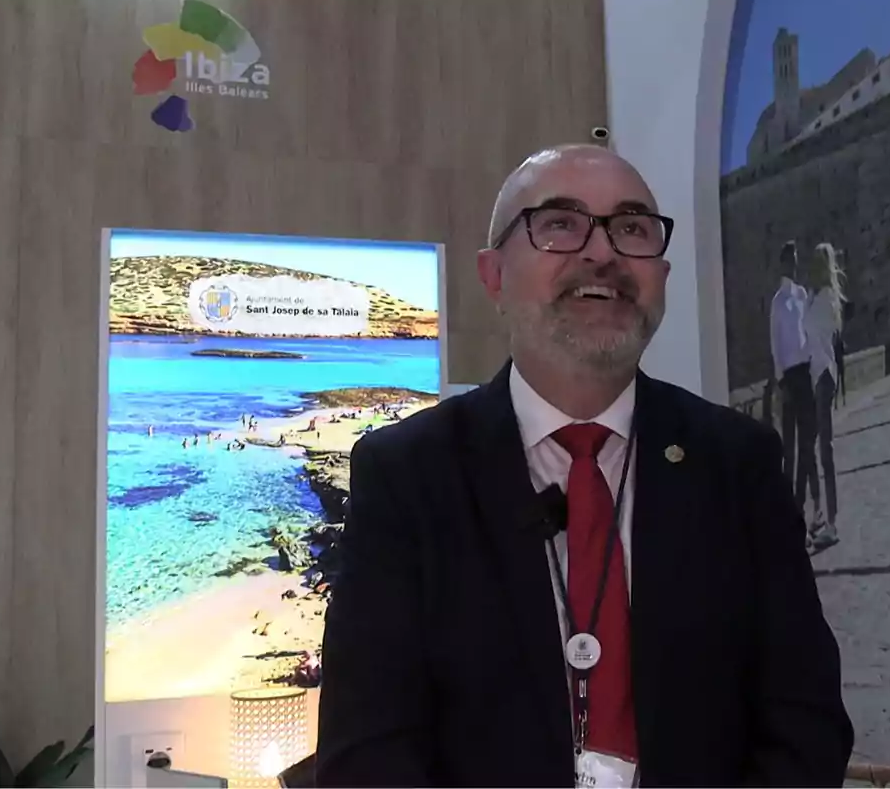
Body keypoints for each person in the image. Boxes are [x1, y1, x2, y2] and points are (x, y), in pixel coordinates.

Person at [314, 144, 853, 787]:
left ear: (662, 275)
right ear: (493, 276)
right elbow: (367, 755)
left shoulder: (740, 465)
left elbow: (807, 724)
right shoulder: (407, 477)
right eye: (561, 223)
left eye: (632, 228)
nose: (602, 253)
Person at [770, 241, 819, 523]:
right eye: (790, 260)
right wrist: (780, 381)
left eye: (796, 259)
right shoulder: (777, 302)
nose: (794, 264)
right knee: (789, 446)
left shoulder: (802, 295)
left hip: (805, 372)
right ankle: (787, 507)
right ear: (783, 263)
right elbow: (775, 345)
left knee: (807, 442)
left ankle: (801, 503)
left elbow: (809, 333)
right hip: (789, 377)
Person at [802, 242, 845, 552]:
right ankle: (823, 516)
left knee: (825, 449)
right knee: (817, 448)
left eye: (818, 262)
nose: (812, 268)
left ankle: (832, 522)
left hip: (824, 376)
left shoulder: (827, 299)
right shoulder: (815, 297)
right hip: (816, 375)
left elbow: (818, 335)